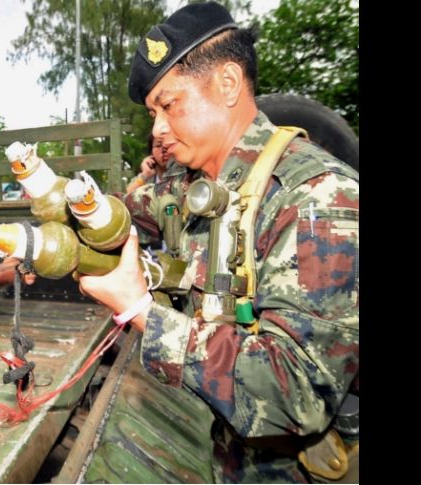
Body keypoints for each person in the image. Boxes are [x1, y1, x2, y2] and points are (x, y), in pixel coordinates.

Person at [78, 3, 358, 482]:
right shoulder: (197, 183)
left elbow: (296, 395)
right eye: (153, 113)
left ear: (228, 84)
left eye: (169, 105)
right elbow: (123, 212)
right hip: (225, 453)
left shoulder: (319, 198)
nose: (158, 129)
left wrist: (140, 310)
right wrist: (62, 211)